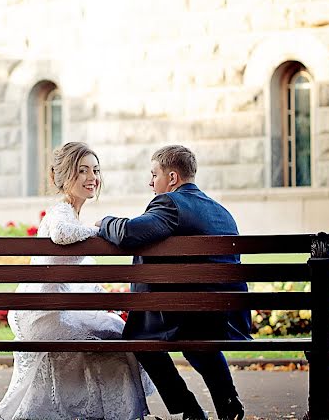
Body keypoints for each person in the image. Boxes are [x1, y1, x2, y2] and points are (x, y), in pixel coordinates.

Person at [0, 141, 154, 420]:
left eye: (95, 170)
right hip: (44, 316)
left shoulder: (73, 212)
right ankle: (116, 414)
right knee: (119, 337)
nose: (92, 178)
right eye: (83, 171)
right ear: (66, 176)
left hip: (50, 310)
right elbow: (62, 234)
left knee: (116, 327)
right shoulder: (60, 212)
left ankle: (99, 411)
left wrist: (105, 302)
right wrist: (98, 230)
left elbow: (79, 272)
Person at [97, 144, 251, 420]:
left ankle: (190, 409)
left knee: (136, 337)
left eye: (154, 174)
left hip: (189, 314)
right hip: (223, 317)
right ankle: (228, 402)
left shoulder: (170, 204)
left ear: (172, 178)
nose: (150, 182)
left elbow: (131, 233)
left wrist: (103, 222)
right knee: (195, 338)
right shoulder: (220, 211)